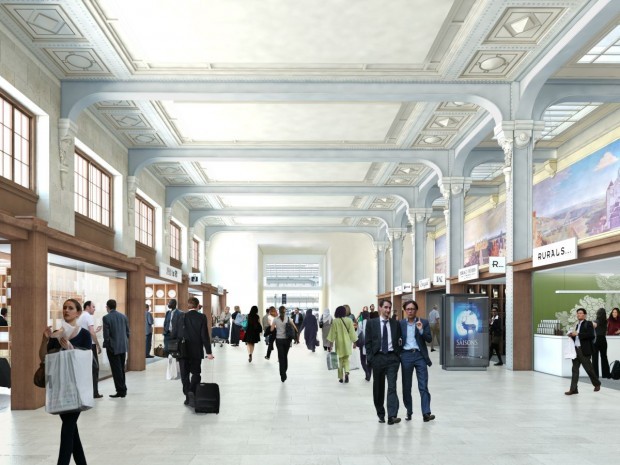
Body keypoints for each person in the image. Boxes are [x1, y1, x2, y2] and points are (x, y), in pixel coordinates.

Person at [39, 298, 92, 465]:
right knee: (71, 429)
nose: (66, 310)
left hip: (76, 385)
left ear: (78, 312)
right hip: (59, 386)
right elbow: (43, 358)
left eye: (70, 308)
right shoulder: (56, 333)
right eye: (64, 308)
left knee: (68, 426)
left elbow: (88, 358)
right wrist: (45, 339)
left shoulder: (83, 334)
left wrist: (71, 348)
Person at [364, 299, 402, 424]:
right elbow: (367, 342)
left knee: (392, 387)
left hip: (392, 358)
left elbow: (400, 340)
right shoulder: (371, 323)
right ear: (380, 308)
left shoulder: (395, 324)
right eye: (385, 307)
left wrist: (398, 355)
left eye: (389, 307)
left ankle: (392, 415)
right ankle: (381, 413)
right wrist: (370, 358)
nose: (388, 310)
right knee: (378, 388)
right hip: (378, 358)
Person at [173, 297, 214, 406]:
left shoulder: (181, 316)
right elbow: (204, 336)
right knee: (196, 373)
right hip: (196, 350)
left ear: (188, 306)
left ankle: (187, 396)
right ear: (197, 305)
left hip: (182, 350)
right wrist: (208, 352)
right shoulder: (201, 317)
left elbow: (175, 334)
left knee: (184, 375)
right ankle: (192, 391)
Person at [400, 300, 435, 422]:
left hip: (420, 356)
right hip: (406, 356)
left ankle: (426, 413)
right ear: (405, 310)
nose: (410, 311)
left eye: (412, 309)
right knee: (406, 387)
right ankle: (409, 411)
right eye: (408, 309)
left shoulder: (423, 322)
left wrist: (421, 330)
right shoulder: (400, 324)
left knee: (423, 386)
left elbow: (429, 339)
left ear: (416, 310)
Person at [565, 308, 601, 395]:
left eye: (580, 313)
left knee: (588, 369)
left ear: (584, 315)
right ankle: (573, 389)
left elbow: (591, 335)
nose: (578, 315)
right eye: (577, 313)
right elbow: (578, 338)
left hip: (584, 350)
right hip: (576, 350)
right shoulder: (577, 325)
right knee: (575, 370)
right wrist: (572, 335)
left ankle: (597, 383)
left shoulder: (588, 323)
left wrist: (578, 334)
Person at [102, 299, 130, 398]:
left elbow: (106, 335)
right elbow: (127, 332)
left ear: (108, 307)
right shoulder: (123, 316)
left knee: (116, 370)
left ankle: (121, 391)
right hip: (123, 347)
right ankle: (123, 389)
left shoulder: (106, 318)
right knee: (121, 369)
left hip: (113, 348)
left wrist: (107, 345)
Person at [78, 300, 102, 399]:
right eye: (93, 306)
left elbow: (88, 331)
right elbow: (91, 333)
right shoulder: (88, 316)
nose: (94, 309)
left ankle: (87, 392)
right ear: (87, 307)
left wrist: (95, 331)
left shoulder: (81, 316)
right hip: (90, 346)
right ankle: (94, 393)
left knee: (87, 370)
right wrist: (98, 345)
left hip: (83, 346)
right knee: (95, 369)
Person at [327, 305, 358, 383]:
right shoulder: (349, 320)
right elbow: (352, 333)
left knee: (340, 361)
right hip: (347, 343)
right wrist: (354, 342)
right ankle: (347, 372)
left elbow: (332, 334)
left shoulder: (335, 321)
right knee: (346, 359)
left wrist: (330, 345)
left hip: (339, 344)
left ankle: (341, 378)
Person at [271, 305, 298, 382]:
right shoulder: (288, 318)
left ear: (278, 312)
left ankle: (282, 375)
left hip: (279, 340)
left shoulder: (275, 319)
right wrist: (296, 333)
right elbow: (295, 328)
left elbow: (272, 329)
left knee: (281, 357)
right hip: (287, 340)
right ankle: (284, 371)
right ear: (285, 311)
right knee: (285, 356)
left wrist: (276, 327)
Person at [593, 307, 610, 379]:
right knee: (604, 357)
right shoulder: (606, 321)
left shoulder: (596, 321)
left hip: (596, 340)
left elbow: (594, 325)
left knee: (595, 358)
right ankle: (606, 374)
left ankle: (595, 375)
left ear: (598, 314)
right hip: (603, 339)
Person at [357, 309, 372, 381]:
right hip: (371, 345)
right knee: (369, 360)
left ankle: (366, 372)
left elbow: (358, 334)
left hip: (363, 343)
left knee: (363, 360)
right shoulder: (372, 322)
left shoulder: (360, 323)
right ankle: (369, 373)